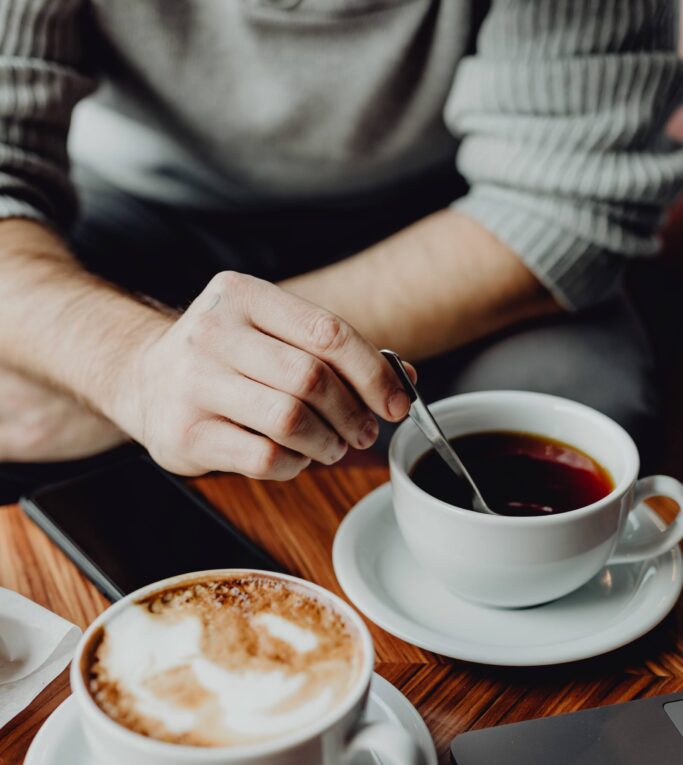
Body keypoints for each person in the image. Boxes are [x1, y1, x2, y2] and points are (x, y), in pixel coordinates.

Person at [0, 1, 681, 501]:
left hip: (449, 224)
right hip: (140, 209)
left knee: (582, 414)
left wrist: (157, 383)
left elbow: (562, 204)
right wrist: (129, 361)